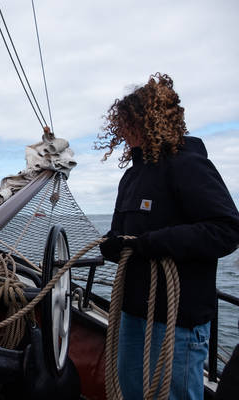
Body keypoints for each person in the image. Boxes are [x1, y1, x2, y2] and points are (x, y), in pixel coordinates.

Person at [95, 73, 239, 399]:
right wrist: (113, 244)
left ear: (147, 121)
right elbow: (124, 234)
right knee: (130, 391)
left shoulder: (188, 166)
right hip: (133, 312)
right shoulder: (132, 177)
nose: (121, 130)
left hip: (178, 322)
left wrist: (155, 242)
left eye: (127, 122)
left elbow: (226, 229)